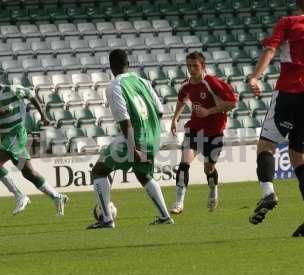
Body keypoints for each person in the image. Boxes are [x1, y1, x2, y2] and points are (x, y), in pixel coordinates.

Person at [86, 49, 173, 229]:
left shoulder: (114, 86)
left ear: (111, 66)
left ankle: (107, 219)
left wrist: (133, 148)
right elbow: (160, 110)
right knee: (144, 175)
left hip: (135, 139)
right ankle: (165, 216)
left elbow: (125, 122)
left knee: (98, 171)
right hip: (154, 137)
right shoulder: (143, 82)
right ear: (129, 64)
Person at [0, 69, 69, 215]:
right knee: (29, 173)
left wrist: (43, 116)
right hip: (6, 135)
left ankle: (20, 195)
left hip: (17, 132)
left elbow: (31, 96)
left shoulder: (12, 90)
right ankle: (58, 197)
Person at [247, 0, 304, 236]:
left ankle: (267, 191)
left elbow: (270, 48)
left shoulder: (288, 22)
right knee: (297, 156)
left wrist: (255, 77)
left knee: (266, 145)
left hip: (289, 92)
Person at [169, 51, 237, 214]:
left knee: (209, 169)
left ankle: (213, 190)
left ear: (203, 66)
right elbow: (181, 99)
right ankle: (179, 203)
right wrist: (175, 118)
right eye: (189, 66)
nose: (192, 69)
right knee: (184, 163)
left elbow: (232, 103)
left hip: (214, 131)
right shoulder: (186, 84)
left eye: (195, 66)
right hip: (194, 129)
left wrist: (209, 111)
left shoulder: (212, 83)